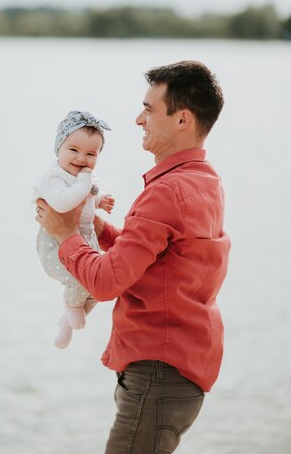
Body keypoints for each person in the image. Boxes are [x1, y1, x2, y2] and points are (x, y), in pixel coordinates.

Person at [35, 61, 231, 454]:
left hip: (158, 372)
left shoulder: (167, 191)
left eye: (149, 109)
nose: (138, 119)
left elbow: (106, 283)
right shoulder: (203, 180)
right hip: (176, 368)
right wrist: (97, 228)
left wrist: (66, 234)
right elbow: (158, 257)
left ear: (182, 120)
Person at [33, 110, 115, 349]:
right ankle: (72, 309)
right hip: (55, 245)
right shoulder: (53, 177)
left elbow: (86, 199)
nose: (81, 158)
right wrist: (84, 183)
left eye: (91, 154)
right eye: (73, 150)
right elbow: (63, 203)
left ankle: (67, 318)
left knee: (98, 286)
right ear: (58, 148)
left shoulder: (84, 179)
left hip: (83, 239)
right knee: (79, 282)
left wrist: (100, 201)